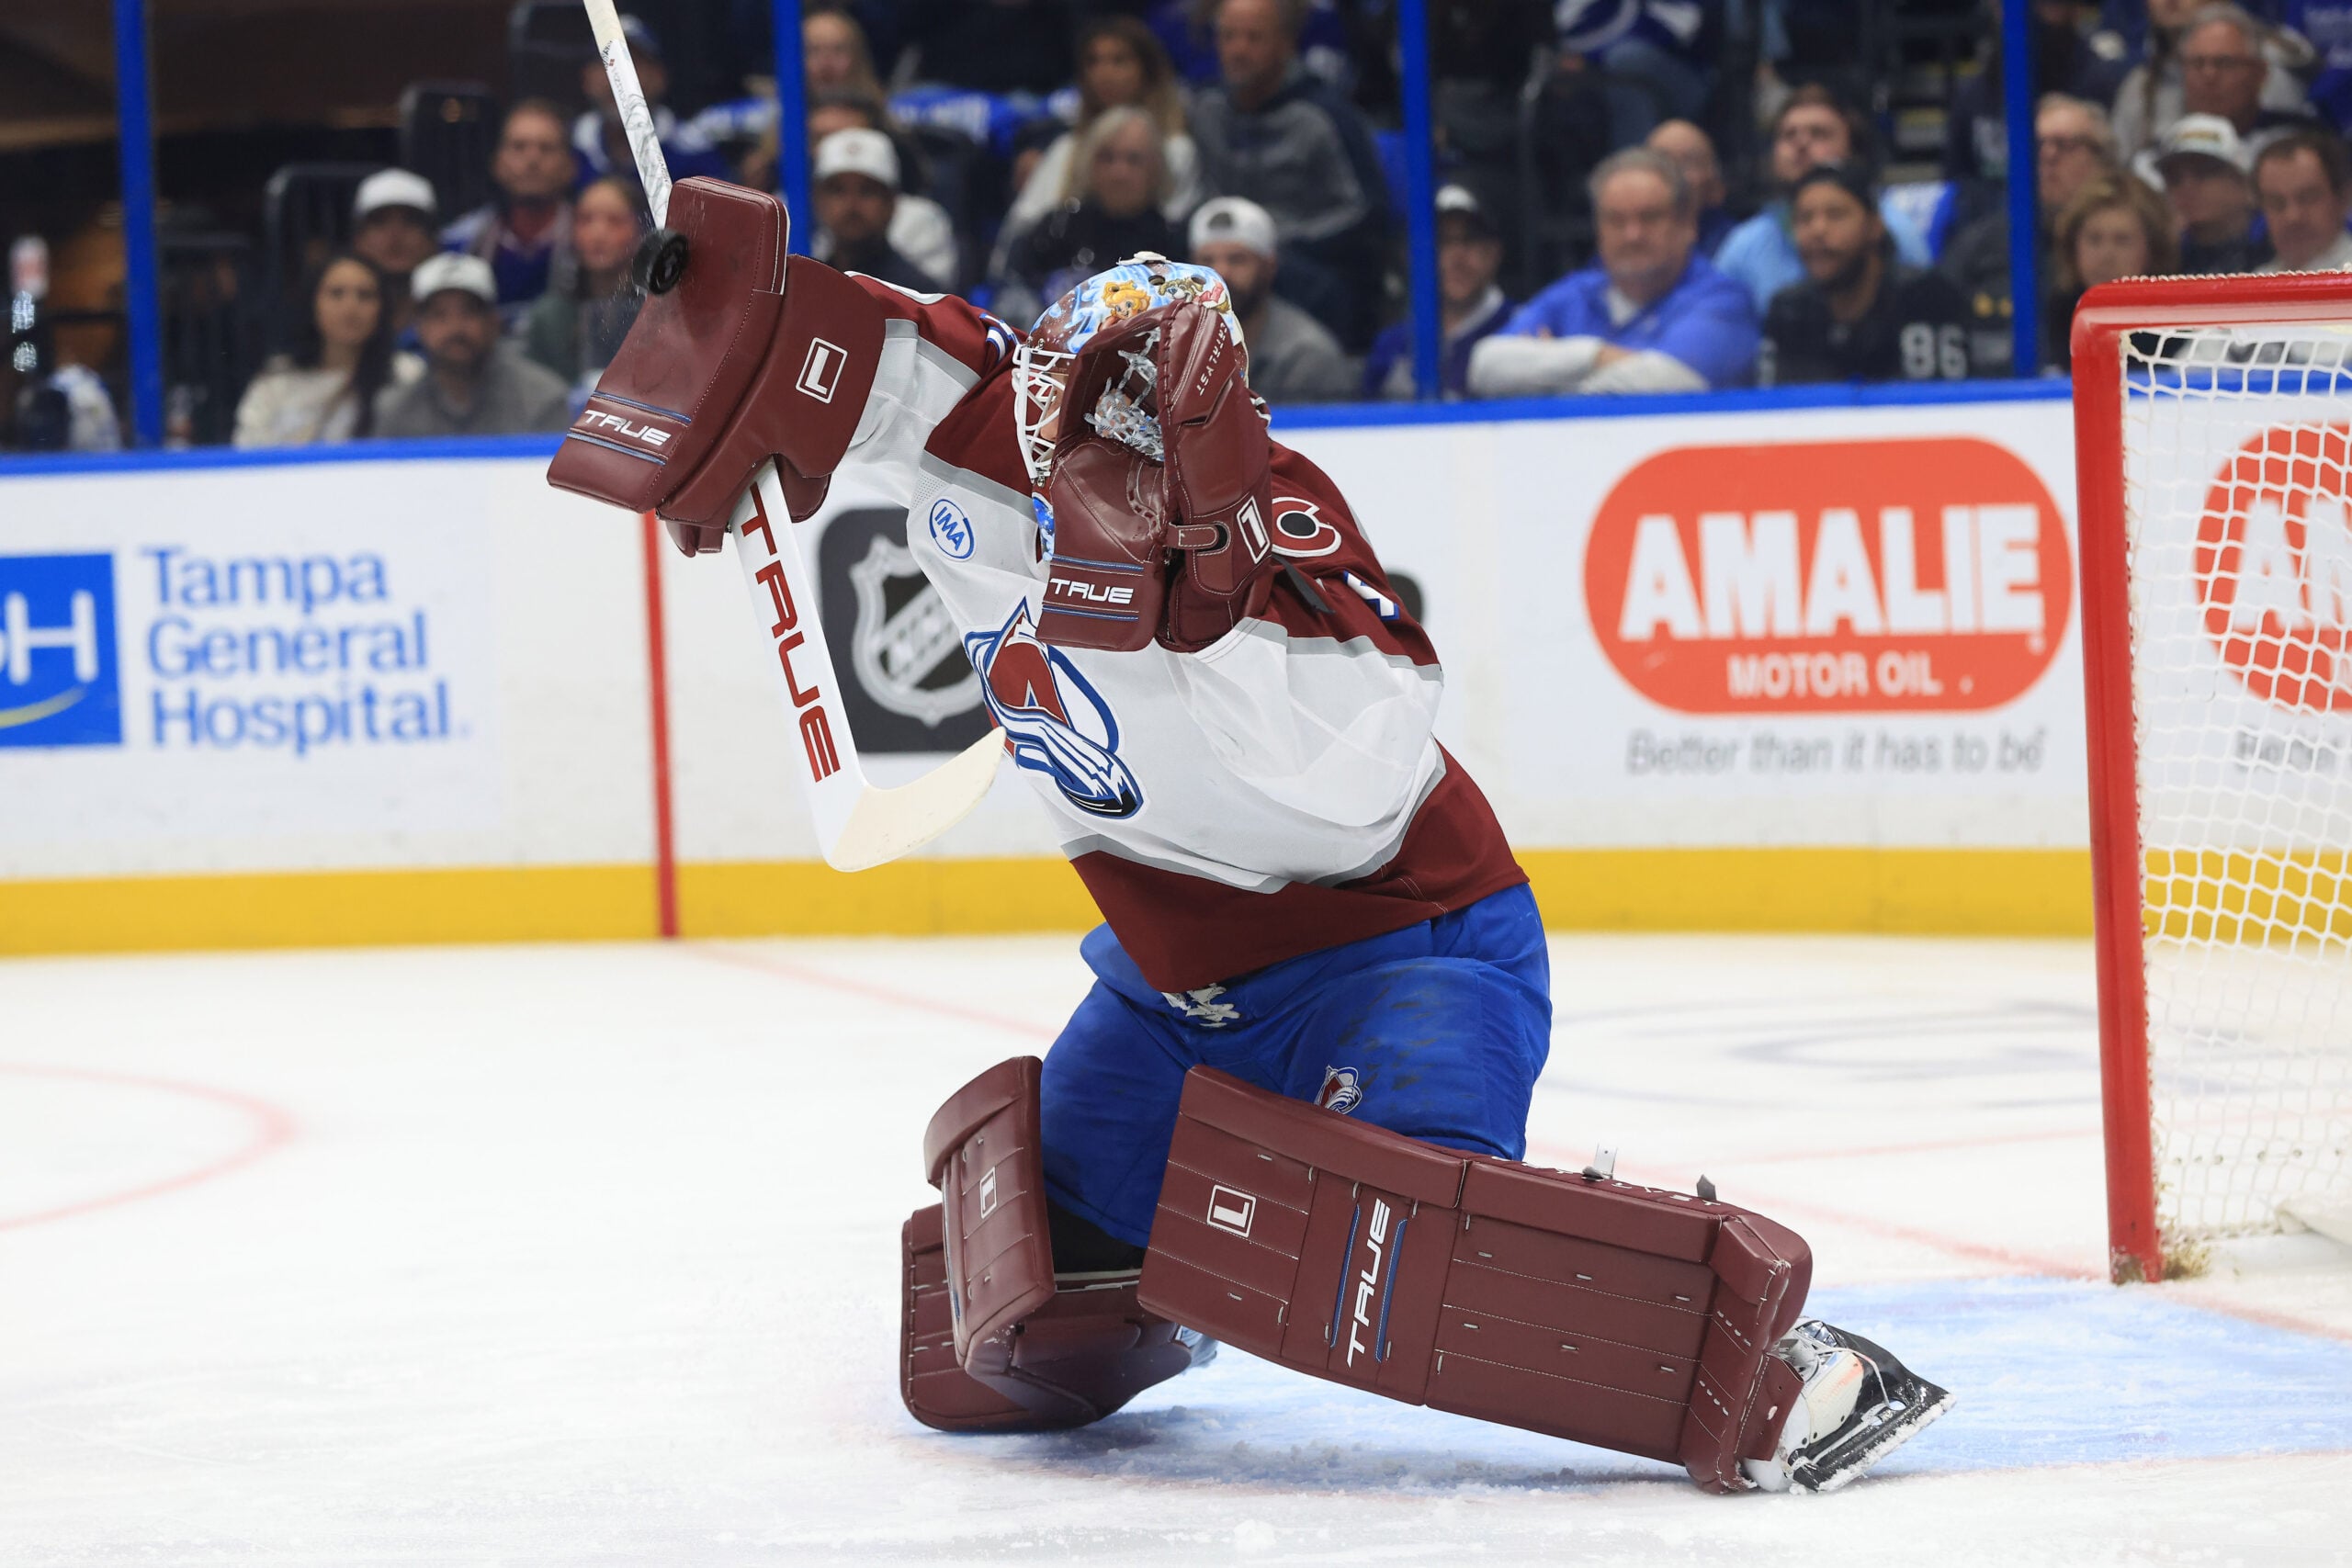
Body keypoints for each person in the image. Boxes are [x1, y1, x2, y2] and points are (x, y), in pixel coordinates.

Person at [549, 191, 1954, 1496]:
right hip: (1173, 995)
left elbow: (1355, 790)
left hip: (1407, 962)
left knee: (1412, 1252)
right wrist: (722, 323)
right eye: (1085, 413)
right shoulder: (977, 431)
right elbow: (854, 332)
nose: (1104, 452)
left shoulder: (1296, 549)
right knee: (1023, 1314)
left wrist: (1200, 606)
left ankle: (1768, 1360)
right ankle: (1178, 1260)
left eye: (1146, 431)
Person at [1468, 147, 1758, 397]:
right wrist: (1594, 355)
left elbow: (1672, 381)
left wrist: (1547, 372)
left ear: (1688, 225)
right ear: (1598, 230)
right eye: (1616, 220)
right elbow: (1485, 365)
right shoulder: (1575, 294)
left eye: (1650, 217)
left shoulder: (1722, 300)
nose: (1632, 234)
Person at [1189, 0, 1392, 348]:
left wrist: (1277, 244)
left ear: (1285, 43)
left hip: (1304, 260)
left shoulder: (1324, 116)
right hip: (1220, 249)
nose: (1238, 50)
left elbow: (1366, 212)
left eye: (1254, 38)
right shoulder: (1207, 109)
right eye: (1229, 37)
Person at [1938, 94, 2120, 376]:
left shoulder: (2132, 238)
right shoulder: (1979, 245)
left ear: (2104, 161)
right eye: (2038, 145)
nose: (2048, 155)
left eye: (2065, 145)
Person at [1713, 85, 1933, 315]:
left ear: (1853, 154)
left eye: (1819, 133)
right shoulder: (1744, 244)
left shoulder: (1892, 228)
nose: (1801, 143)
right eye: (1789, 135)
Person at [997, 17, 1202, 259]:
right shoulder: (1067, 146)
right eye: (1093, 62)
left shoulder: (1175, 149)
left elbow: (1173, 226)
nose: (1104, 73)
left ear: (1148, 71)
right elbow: (1023, 223)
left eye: (1119, 61)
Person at [1760, 164, 1973, 387]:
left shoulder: (1927, 298)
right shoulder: (1788, 310)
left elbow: (1944, 407)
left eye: (1836, 215)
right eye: (1804, 218)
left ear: (1874, 226)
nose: (1817, 230)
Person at [996, 109, 1185, 328]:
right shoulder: (1054, 229)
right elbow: (1012, 297)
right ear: (1088, 164)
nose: (1119, 173)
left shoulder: (1172, 244)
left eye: (1133, 160)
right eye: (1107, 158)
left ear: (1156, 169)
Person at [375, 254, 571, 438]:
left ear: (493, 323)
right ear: (419, 327)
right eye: (439, 315)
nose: (455, 327)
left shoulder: (542, 399)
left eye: (469, 312)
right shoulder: (395, 411)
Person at [235, 253, 419, 446]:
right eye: (336, 293)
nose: (351, 307)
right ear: (312, 302)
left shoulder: (407, 374)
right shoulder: (276, 380)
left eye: (365, 295)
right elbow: (248, 454)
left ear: (382, 308)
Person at [1186, 195, 1354, 402]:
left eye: (1237, 260)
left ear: (1269, 267)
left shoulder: (1307, 356)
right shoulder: (1170, 346)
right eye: (1206, 261)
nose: (1221, 273)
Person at [1362, 184, 1515, 400]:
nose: (1457, 257)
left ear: (1494, 252)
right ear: (1411, 256)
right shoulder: (1392, 347)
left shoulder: (1523, 330)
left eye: (1470, 239)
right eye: (1441, 242)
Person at [2114, 1, 2316, 164]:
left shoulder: (2291, 140)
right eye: (2197, 63)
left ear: (2259, 74)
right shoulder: (2148, 159)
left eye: (2224, 63)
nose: (2209, 75)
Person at [441, 100, 578, 321]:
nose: (532, 160)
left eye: (546, 148)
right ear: (498, 163)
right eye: (519, 147)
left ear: (570, 166)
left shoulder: (594, 239)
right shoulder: (459, 243)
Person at [571, 13, 728, 197]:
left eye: (632, 62)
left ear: (660, 77)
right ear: (586, 78)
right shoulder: (564, 144)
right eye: (606, 61)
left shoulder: (694, 154)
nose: (617, 76)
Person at [523, 177, 646, 400]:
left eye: (614, 221)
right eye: (586, 220)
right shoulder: (548, 317)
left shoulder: (660, 315)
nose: (598, 234)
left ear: (641, 229)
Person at [2045, 175, 2179, 369]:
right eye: (2094, 239)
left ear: (2153, 249)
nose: (2106, 255)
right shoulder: (2050, 322)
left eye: (2122, 240)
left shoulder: (2181, 332)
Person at [808, 129, 940, 294]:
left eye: (867, 191)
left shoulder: (919, 295)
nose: (851, 204)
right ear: (818, 200)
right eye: (838, 191)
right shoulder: (805, 287)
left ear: (891, 202)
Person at [2152, 114, 2271, 273]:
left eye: (2204, 172)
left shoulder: (2277, 238)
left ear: (2243, 182)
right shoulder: (2163, 256)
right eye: (2174, 178)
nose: (2187, 187)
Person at [348, 168, 439, 343]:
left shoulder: (457, 328)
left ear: (432, 240)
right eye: (380, 222)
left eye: (410, 222)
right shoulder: (338, 330)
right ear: (359, 240)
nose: (395, 236)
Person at [2255, 128, 2352, 271]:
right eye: (2277, 203)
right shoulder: (2254, 280)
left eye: (2308, 198)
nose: (2293, 216)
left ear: (2343, 198)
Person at [1646, 118, 1735, 257]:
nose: (1673, 174)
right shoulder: (1626, 240)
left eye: (1686, 162)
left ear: (1716, 185)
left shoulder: (1737, 245)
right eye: (1661, 162)